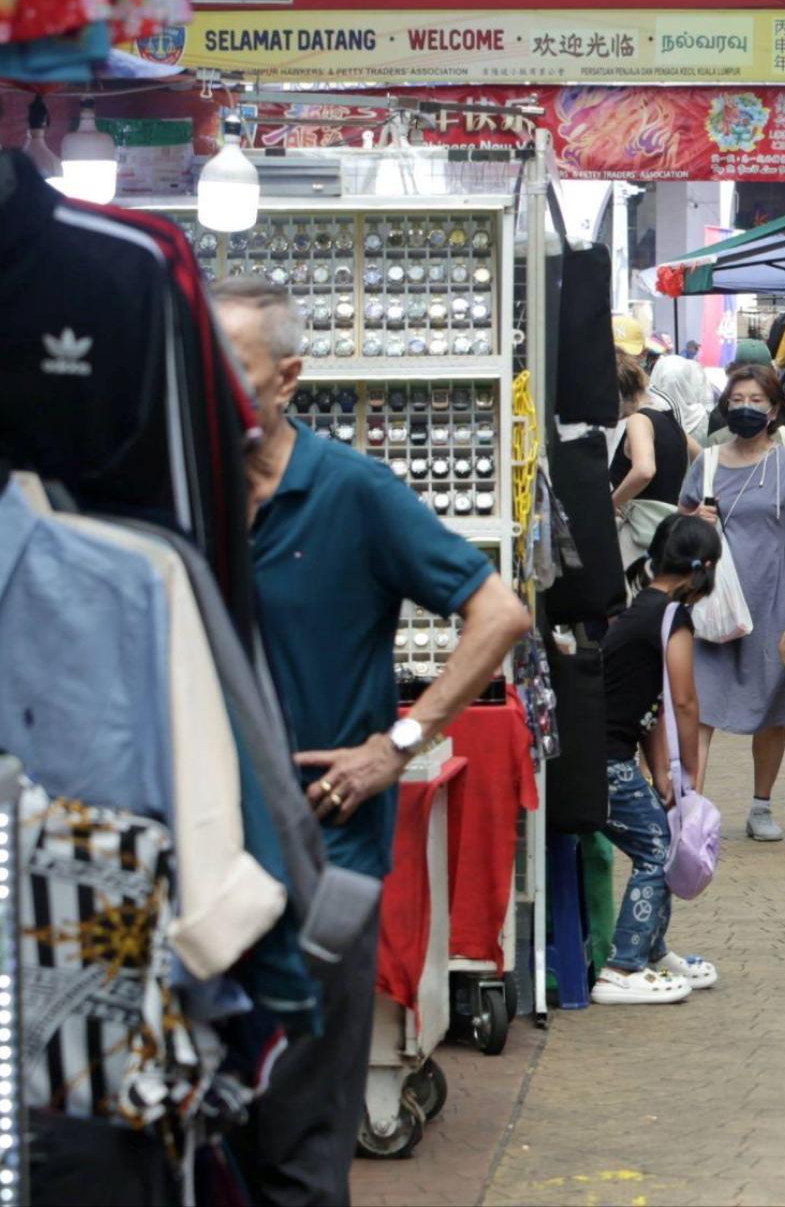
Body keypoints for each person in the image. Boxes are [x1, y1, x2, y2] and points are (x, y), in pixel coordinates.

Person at [212, 277, 531, 1203]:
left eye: (228, 368)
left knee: (304, 1146)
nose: (206, 390)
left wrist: (396, 742)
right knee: (203, 1136)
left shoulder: (351, 492)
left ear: (288, 379)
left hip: (320, 861)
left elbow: (498, 613)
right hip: (197, 859)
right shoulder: (181, 494)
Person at [677, 362, 785, 843]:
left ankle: (761, 805)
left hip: (774, 593)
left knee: (771, 702)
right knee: (701, 704)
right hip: (714, 596)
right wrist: (695, 518)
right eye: (737, 400)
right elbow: (681, 527)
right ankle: (690, 807)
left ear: (775, 408)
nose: (745, 408)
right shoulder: (709, 462)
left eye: (756, 401)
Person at [595, 513, 722, 1004]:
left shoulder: (644, 608)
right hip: (604, 762)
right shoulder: (673, 617)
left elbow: (647, 706)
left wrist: (665, 776)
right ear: (703, 569)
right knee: (656, 848)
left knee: (661, 836)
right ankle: (622, 965)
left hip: (603, 754)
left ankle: (651, 950)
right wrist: (690, 773)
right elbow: (684, 702)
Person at [612, 352, 698, 574]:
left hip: (642, 539)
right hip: (671, 529)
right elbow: (704, 457)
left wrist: (610, 503)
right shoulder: (670, 421)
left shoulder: (639, 420)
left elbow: (644, 470)